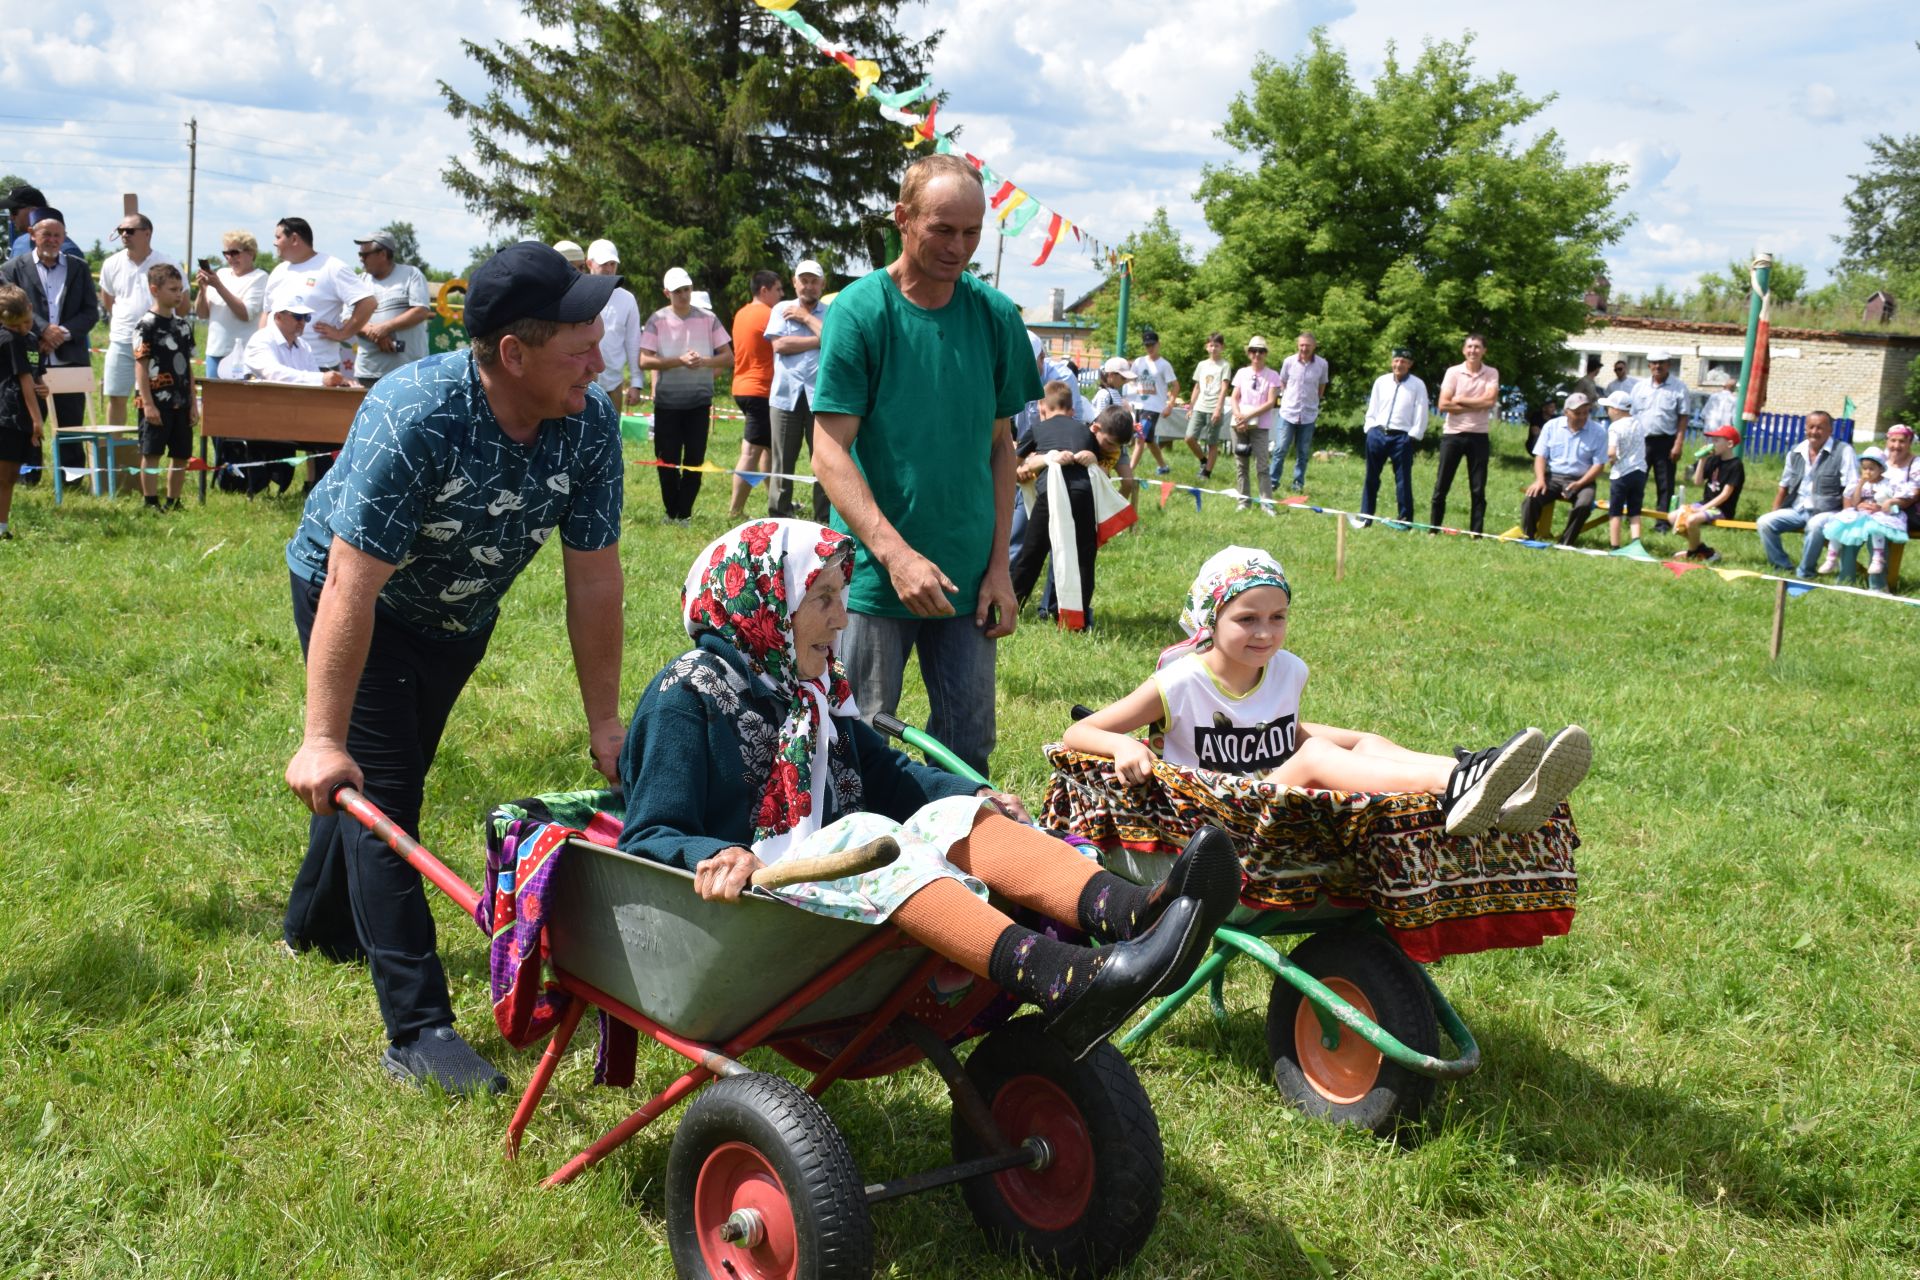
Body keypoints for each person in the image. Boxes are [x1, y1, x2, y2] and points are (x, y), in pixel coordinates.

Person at [618, 520, 1241, 1061]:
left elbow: (890, 776)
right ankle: (1063, 976)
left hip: (829, 887)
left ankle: (1136, 913)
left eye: (839, 597)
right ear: (765, 603)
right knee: (868, 832)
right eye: (824, 598)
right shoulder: (686, 696)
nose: (841, 618)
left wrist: (972, 795)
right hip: (754, 909)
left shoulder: (810, 691)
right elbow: (647, 833)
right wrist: (709, 853)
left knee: (951, 815)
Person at [281, 242, 625, 1095]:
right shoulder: (417, 413)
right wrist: (320, 737)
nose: (602, 358)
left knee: (380, 777)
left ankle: (313, 927)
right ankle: (418, 1029)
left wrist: (606, 723)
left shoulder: (590, 422)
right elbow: (352, 584)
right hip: (356, 600)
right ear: (514, 353)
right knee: (385, 793)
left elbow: (594, 579)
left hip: (460, 612)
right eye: (579, 344)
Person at [1062, 546, 1591, 837]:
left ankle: (1495, 783)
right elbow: (1078, 731)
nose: (1265, 632)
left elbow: (1276, 732)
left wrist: (1358, 740)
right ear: (1210, 619)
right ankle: (1458, 783)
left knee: (1365, 741)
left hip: (1272, 796)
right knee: (1318, 753)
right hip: (1217, 820)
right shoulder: (1182, 680)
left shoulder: (1287, 670)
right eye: (1247, 619)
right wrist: (1126, 744)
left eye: (1278, 617)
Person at [811, 154, 1041, 777]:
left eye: (972, 233)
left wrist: (1001, 569)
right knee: (851, 744)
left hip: (969, 578)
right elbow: (828, 449)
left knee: (967, 752)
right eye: (943, 229)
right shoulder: (861, 310)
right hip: (872, 578)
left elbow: (1001, 448)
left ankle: (959, 866)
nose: (958, 247)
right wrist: (895, 554)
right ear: (903, 220)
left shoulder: (996, 317)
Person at [0, 215, 98, 473]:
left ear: (64, 237)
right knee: (27, 419)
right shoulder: (12, 269)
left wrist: (61, 333)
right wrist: (42, 330)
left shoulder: (79, 268)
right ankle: (28, 473)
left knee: (72, 421)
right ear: (33, 234)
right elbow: (10, 306)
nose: (52, 240)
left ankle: (72, 476)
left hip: (70, 357)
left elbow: (91, 311)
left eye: (58, 235)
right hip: (28, 356)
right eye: (47, 235)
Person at [639, 266, 732, 524]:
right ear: (666, 292)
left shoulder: (708, 318)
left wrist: (703, 361)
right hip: (667, 402)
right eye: (678, 291)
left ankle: (685, 512)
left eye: (687, 289)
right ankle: (672, 511)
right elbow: (644, 360)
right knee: (666, 460)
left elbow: (728, 357)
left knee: (694, 460)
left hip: (699, 401)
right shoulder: (656, 320)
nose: (683, 295)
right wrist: (678, 361)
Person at [1010, 382, 1104, 621]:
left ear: (1042, 407)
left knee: (1031, 554)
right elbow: (1099, 462)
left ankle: (1012, 606)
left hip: (1049, 495)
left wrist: (1025, 468)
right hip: (1083, 494)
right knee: (1084, 556)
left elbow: (1014, 463)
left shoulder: (1038, 428)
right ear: (1072, 409)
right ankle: (1078, 616)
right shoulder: (1085, 430)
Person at [764, 260, 833, 524]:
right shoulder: (782, 308)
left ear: (822, 285)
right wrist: (820, 340)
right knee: (782, 460)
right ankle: (779, 515)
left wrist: (805, 318)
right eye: (804, 280)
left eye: (814, 281)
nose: (809, 285)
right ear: (794, 283)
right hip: (785, 397)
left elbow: (836, 341)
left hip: (821, 397)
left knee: (825, 460)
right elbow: (780, 345)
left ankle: (824, 517)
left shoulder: (830, 311)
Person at [266, 218, 375, 373]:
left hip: (319, 366)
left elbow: (368, 303)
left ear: (294, 239)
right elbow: (268, 313)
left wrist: (343, 334)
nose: (274, 243)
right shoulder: (278, 271)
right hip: (278, 366)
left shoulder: (332, 267)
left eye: (278, 237)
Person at [1757, 410, 1857, 577]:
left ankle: (1805, 572)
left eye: (1820, 428)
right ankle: (1782, 566)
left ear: (1830, 431)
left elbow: (1851, 486)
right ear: (1805, 429)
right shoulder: (1796, 452)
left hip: (1829, 511)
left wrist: (1846, 519)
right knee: (1765, 522)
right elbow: (1784, 485)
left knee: (1814, 525)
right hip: (1798, 509)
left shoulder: (1843, 450)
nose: (1814, 432)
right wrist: (1775, 511)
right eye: (1811, 427)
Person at [99, 213, 175, 428]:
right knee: (115, 396)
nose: (124, 234)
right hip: (122, 340)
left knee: (158, 398)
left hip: (158, 342)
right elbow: (108, 301)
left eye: (130, 231)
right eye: (121, 230)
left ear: (147, 233)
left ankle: (150, 449)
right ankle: (115, 454)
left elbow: (183, 302)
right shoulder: (111, 263)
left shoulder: (167, 262)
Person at [132, 264, 196, 513]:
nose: (178, 294)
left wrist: (193, 402)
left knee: (181, 454)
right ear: (155, 290)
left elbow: (188, 366)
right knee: (152, 452)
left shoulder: (183, 326)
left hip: (181, 401)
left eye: (180, 289)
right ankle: (150, 501)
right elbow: (141, 366)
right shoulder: (145, 325)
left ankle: (174, 500)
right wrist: (147, 403)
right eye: (172, 289)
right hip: (156, 402)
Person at [1430, 334, 1500, 534]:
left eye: (1477, 347)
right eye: (1469, 347)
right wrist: (1475, 403)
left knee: (1478, 488)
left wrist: (1460, 399)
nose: (1473, 351)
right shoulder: (1453, 372)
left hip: (1479, 435)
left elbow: (1489, 402)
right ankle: (1433, 529)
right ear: (1463, 350)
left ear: (1484, 350)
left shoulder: (1491, 373)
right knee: (1442, 485)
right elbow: (1443, 404)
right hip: (1453, 435)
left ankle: (1476, 533)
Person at [727, 269, 782, 519]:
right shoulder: (769, 315)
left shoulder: (741, 313)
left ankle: (777, 501)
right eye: (778, 290)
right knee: (751, 452)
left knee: (768, 448)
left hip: (742, 386)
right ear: (764, 290)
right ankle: (735, 510)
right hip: (760, 390)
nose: (781, 295)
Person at [1518, 392, 1606, 546]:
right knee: (1531, 497)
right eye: (1577, 413)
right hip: (1553, 477)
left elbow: (1598, 465)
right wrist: (1539, 480)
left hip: (1583, 480)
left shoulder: (1598, 432)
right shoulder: (1552, 426)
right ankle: (1528, 537)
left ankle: (1565, 543)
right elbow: (1540, 456)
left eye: (1585, 412)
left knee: (1584, 505)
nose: (1582, 417)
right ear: (1566, 412)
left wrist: (1580, 484)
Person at [1356, 346, 1428, 527]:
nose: (1399, 364)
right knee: (1371, 477)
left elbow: (1421, 412)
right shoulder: (1381, 381)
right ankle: (1366, 516)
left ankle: (1404, 519)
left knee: (1403, 480)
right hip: (1378, 434)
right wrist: (1370, 428)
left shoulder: (1417, 385)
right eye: (1396, 360)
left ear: (1410, 364)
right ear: (1392, 362)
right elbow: (1373, 406)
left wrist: (1412, 436)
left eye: (1403, 361)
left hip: (1401, 437)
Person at [1818, 449, 1911, 584]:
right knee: (1841, 525)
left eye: (1872, 469)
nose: (1867, 472)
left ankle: (1878, 560)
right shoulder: (1859, 482)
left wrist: (1880, 506)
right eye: (1864, 468)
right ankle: (1832, 559)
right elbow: (1854, 503)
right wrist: (1860, 487)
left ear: (1881, 469)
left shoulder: (1887, 483)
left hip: (1880, 516)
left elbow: (1891, 502)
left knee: (1875, 528)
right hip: (1861, 516)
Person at [352, 232, 432, 387]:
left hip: (409, 371)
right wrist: (376, 333)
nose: (361, 259)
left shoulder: (411, 275)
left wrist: (386, 327)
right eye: (359, 254)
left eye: (365, 254)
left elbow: (421, 311)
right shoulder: (360, 281)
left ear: (382, 254)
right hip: (369, 371)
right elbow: (348, 318)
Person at [0, 285, 45, 538]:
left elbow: (35, 376)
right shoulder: (9, 338)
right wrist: (37, 419)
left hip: (19, 415)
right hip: (9, 415)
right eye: (15, 326)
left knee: (9, 476)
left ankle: (2, 527)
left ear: (30, 309)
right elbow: (24, 378)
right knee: (5, 477)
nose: (22, 329)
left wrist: (43, 387)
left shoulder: (28, 339)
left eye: (26, 323)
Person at [193, 230, 269, 380]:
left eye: (235, 252)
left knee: (237, 401)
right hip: (215, 351)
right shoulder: (221, 273)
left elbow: (245, 314)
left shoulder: (260, 277)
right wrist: (202, 289)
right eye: (226, 253)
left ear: (251, 253)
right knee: (214, 401)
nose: (230, 257)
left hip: (241, 355)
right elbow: (202, 314)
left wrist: (218, 286)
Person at [1629, 348, 1690, 531]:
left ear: (1668, 365)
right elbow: (1631, 416)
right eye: (1654, 363)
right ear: (1649, 365)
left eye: (1661, 363)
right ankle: (1632, 516)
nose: (1657, 366)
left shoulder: (1679, 388)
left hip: (1666, 442)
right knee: (1635, 480)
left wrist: (1678, 443)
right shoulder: (1639, 387)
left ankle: (1662, 522)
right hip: (1641, 441)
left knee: (1665, 484)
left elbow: (1683, 417)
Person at [1673, 424, 1746, 562]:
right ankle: (1704, 551)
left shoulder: (1736, 465)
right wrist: (1702, 460)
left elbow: (1725, 495)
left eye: (1717, 441)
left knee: (1691, 520)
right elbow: (1697, 482)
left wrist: (1703, 509)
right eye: (1712, 440)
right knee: (1673, 518)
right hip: (1706, 504)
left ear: (1729, 444)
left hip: (1721, 509)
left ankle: (1693, 552)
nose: (1712, 444)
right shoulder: (1713, 460)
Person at [240, 300, 355, 387]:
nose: (303, 322)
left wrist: (341, 383)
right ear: (278, 317)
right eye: (298, 317)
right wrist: (321, 378)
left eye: (306, 317)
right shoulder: (260, 340)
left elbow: (314, 379)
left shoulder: (304, 345)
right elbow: (273, 373)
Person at [584, 239, 642, 412]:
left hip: (614, 384)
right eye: (604, 264)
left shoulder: (627, 299)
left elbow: (633, 343)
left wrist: (636, 383)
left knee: (611, 436)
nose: (609, 269)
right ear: (589, 263)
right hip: (581, 381)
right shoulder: (578, 295)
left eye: (613, 264)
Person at [1228, 336, 1282, 515]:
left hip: (1260, 425)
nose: (1256, 354)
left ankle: (1267, 503)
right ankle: (1244, 501)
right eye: (1253, 351)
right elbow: (1235, 397)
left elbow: (1270, 402)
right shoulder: (1242, 372)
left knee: (1262, 465)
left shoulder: (1273, 375)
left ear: (1265, 354)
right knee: (1241, 464)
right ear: (1249, 353)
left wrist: (1248, 416)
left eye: (1260, 351)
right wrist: (1238, 416)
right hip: (1239, 424)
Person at [1271, 331, 1329, 494]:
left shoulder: (1322, 364)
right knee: (1280, 449)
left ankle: (1298, 484)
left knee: (1303, 453)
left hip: (1308, 415)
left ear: (1314, 346)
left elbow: (1322, 385)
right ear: (1298, 345)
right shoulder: (1289, 362)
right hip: (1288, 412)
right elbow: (1282, 382)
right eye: (1302, 345)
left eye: (1308, 346)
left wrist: (1314, 400)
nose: (1304, 348)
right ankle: (1273, 481)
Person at [1602, 390, 1648, 551]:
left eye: (1608, 408)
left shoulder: (1615, 427)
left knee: (1615, 511)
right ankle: (1636, 543)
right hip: (1640, 471)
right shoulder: (1638, 423)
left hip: (1621, 473)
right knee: (1635, 510)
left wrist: (1611, 461)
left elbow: (1611, 452)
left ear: (1616, 409)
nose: (1607, 412)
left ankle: (1615, 545)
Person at [1128, 328, 1177, 477]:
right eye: (1147, 345)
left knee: (1140, 438)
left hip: (1154, 408)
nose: (1149, 348)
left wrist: (1170, 405)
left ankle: (1128, 472)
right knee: (1149, 440)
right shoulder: (1138, 362)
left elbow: (1175, 385)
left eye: (1152, 345)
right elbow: (1131, 379)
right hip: (1139, 405)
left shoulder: (1164, 365)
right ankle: (1163, 466)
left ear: (1158, 344)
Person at [1183, 332, 1232, 480]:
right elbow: (1197, 387)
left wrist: (1218, 408)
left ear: (1222, 347)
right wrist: (1191, 406)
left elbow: (1224, 388)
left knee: (1212, 442)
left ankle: (1207, 473)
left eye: (1216, 346)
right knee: (1189, 437)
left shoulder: (1225, 365)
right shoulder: (1201, 365)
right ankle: (1203, 460)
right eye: (1211, 345)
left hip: (1214, 408)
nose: (1213, 349)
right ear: (1206, 347)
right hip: (1200, 406)